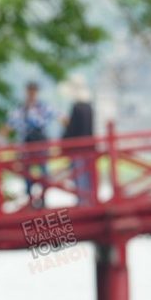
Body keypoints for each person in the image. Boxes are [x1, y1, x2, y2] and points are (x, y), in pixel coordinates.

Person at [0, 81, 63, 207]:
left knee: (43, 172)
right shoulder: (21, 109)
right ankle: (30, 199)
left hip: (40, 145)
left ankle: (43, 198)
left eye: (34, 91)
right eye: (30, 91)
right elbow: (8, 126)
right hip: (27, 146)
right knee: (27, 173)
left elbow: (61, 117)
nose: (32, 93)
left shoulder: (43, 107)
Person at [61, 73, 95, 205]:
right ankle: (88, 200)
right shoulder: (89, 107)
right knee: (87, 175)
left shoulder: (77, 107)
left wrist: (63, 141)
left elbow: (72, 130)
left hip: (77, 148)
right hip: (88, 147)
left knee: (80, 175)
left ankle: (83, 201)